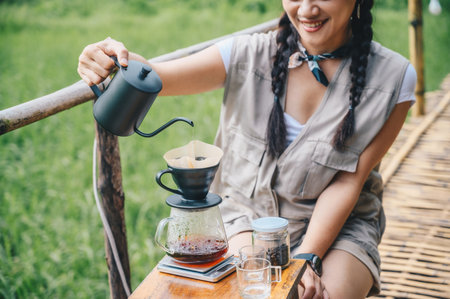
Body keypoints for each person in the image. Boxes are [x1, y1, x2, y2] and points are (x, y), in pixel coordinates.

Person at [78, 0, 417, 298]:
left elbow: (348, 182)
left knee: (322, 296)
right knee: (253, 291)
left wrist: (305, 259)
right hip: (246, 217)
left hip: (341, 227)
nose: (307, 9)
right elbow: (159, 75)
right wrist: (108, 58)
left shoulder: (394, 80)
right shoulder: (245, 54)